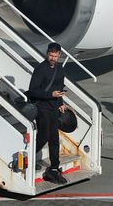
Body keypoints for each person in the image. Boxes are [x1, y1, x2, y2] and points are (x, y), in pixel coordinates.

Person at [27, 43, 69, 184]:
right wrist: (50, 94)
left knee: (54, 139)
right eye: (51, 55)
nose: (53, 58)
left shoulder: (60, 68)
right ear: (47, 54)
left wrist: (61, 102)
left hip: (53, 108)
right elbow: (33, 90)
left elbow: (60, 87)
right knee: (43, 136)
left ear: (59, 55)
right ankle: (29, 158)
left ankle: (55, 168)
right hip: (42, 107)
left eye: (55, 56)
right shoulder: (40, 69)